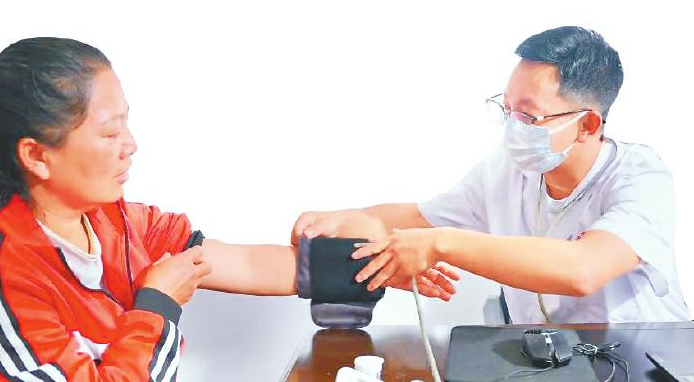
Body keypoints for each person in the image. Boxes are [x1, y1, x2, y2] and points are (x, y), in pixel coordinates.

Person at [0, 37, 455, 382]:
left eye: (127, 124)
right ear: (36, 156)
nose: (131, 145)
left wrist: (378, 263)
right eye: (109, 132)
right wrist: (158, 306)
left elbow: (242, 263)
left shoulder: (110, 220)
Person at [292, 26, 690, 325]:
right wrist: (344, 221)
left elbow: (583, 270)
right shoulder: (509, 168)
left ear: (587, 125)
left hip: (642, 355)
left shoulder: (642, 177)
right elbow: (420, 218)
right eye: (507, 109)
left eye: (528, 116)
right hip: (547, 354)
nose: (513, 127)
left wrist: (442, 244)